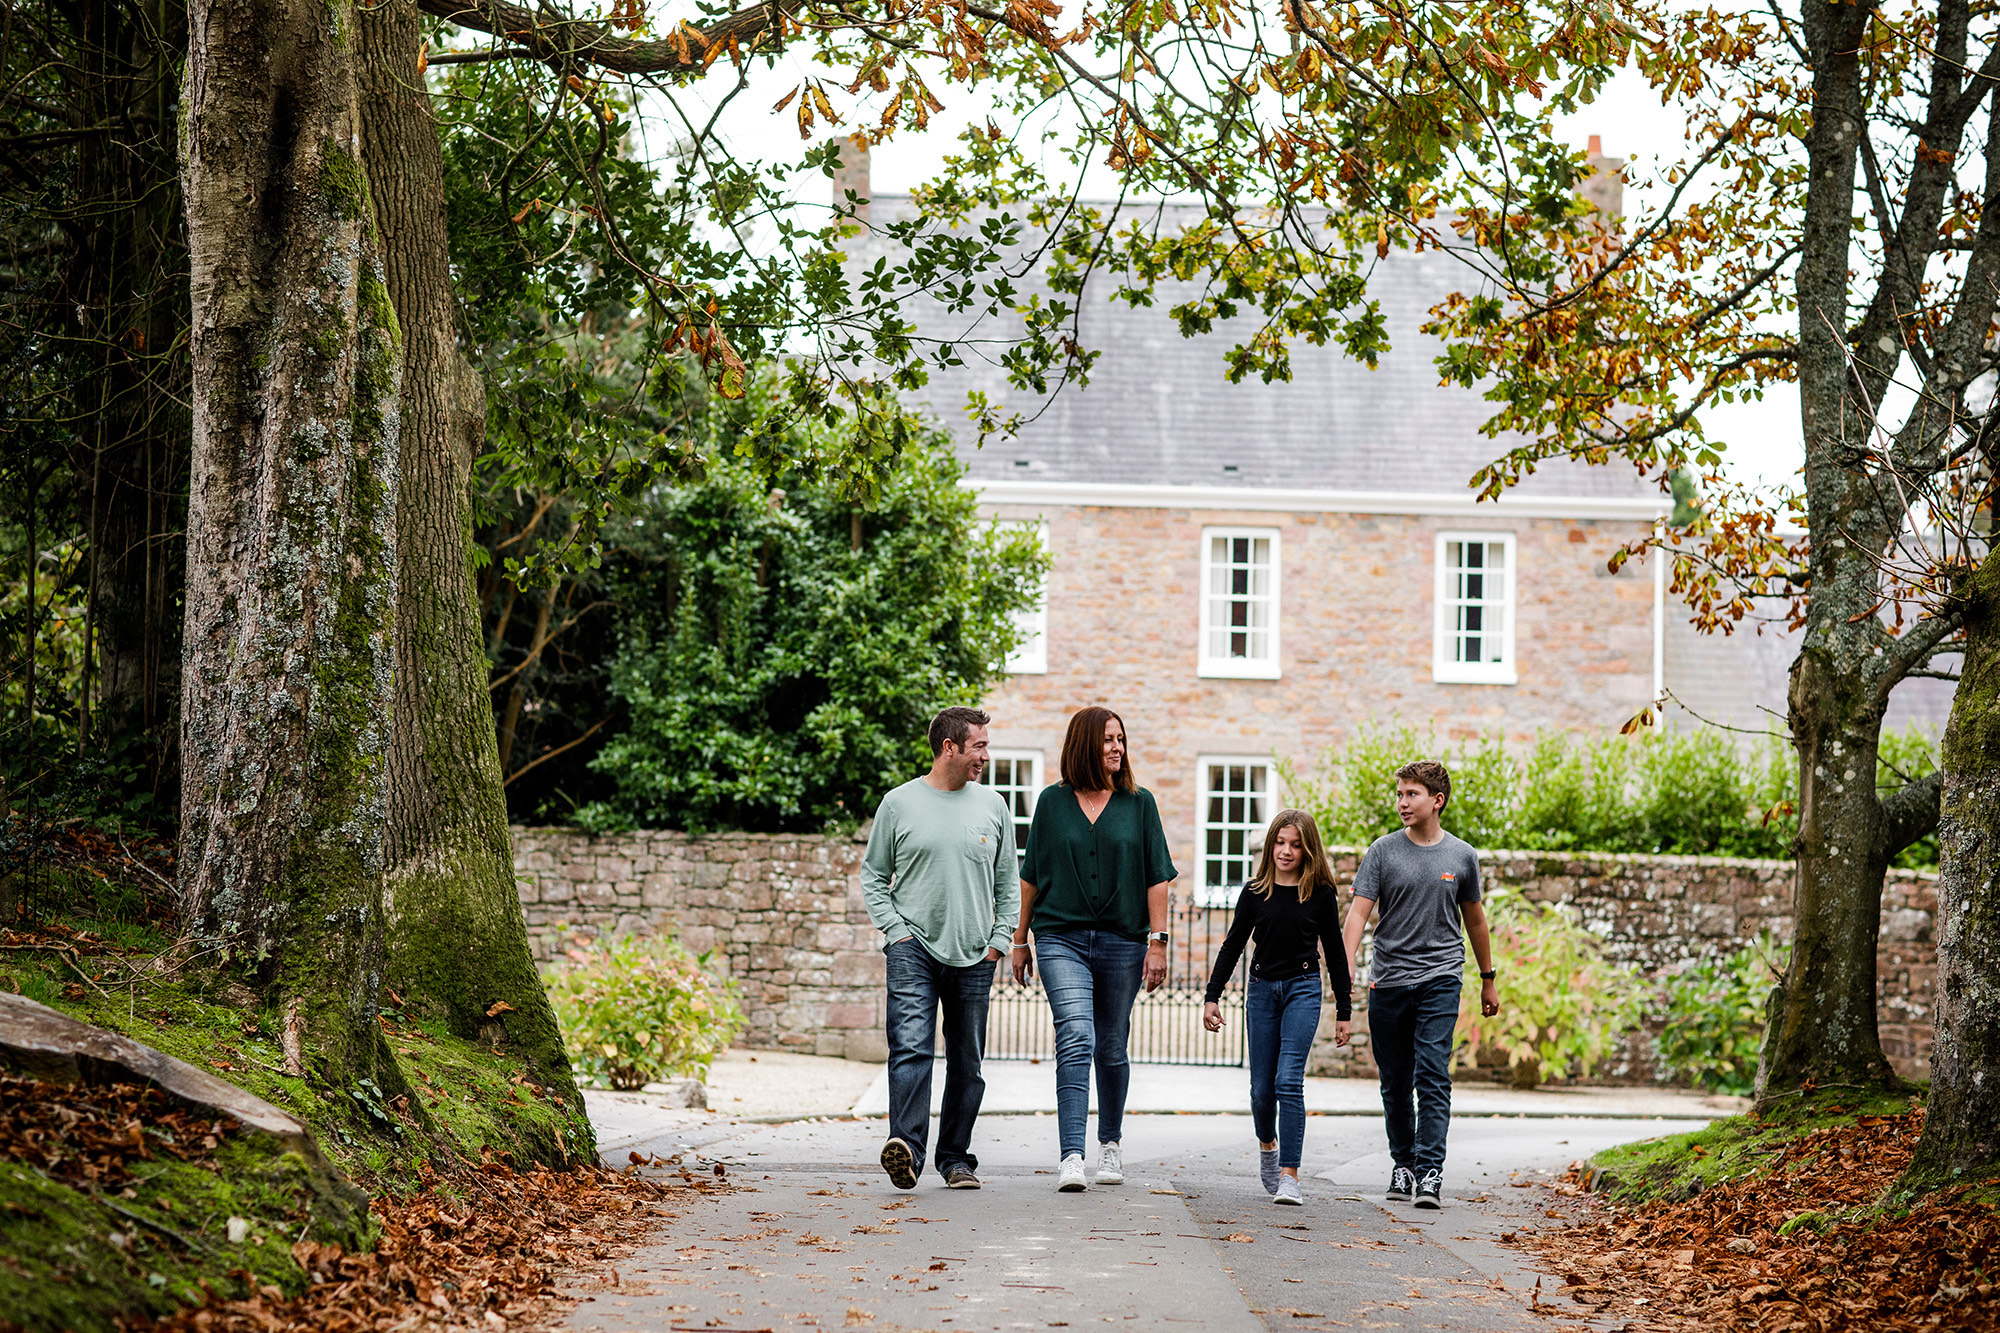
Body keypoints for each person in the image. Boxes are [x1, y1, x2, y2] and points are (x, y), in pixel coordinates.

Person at [1011, 706, 1177, 1191]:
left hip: (1123, 942)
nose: (1117, 747)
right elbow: (1030, 878)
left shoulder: (1138, 803)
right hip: (1060, 937)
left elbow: (1157, 878)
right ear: (1084, 743)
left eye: (1121, 739)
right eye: (1107, 739)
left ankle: (1110, 1144)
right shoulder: (1051, 802)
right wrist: (1020, 940)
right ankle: (1071, 1155)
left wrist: (1158, 943)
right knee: (1076, 1036)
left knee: (1110, 1045)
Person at [861, 705, 1020, 1191]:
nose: (986, 756)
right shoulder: (898, 803)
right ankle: (905, 1147)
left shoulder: (993, 805)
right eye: (979, 746)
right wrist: (895, 930)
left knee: (967, 1061)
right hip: (913, 946)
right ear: (948, 747)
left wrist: (999, 941)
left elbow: (1007, 882)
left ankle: (955, 1159)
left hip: (975, 952)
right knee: (910, 1046)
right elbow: (873, 875)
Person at [1341, 759, 1500, 1210]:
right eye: (1399, 794)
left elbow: (1475, 919)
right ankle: (1403, 1163)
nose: (1402, 803)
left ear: (1437, 800)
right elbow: (1358, 913)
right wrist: (1344, 963)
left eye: (1411, 795)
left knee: (1432, 1073)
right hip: (1389, 979)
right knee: (1394, 1081)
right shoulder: (1383, 852)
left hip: (1441, 977)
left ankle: (1430, 1171)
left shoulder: (1462, 856)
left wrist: (1488, 980)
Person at [1202, 809, 1352, 1205]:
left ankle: (1290, 1174)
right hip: (1262, 991)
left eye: (1296, 845)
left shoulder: (1319, 893)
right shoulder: (1254, 891)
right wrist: (1211, 996)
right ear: (1271, 845)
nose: (1286, 851)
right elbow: (1232, 945)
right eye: (1281, 843)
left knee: (1289, 1082)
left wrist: (1344, 1011)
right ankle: (1268, 1145)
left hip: (1303, 988)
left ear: (1308, 850)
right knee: (1260, 1091)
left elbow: (1335, 953)